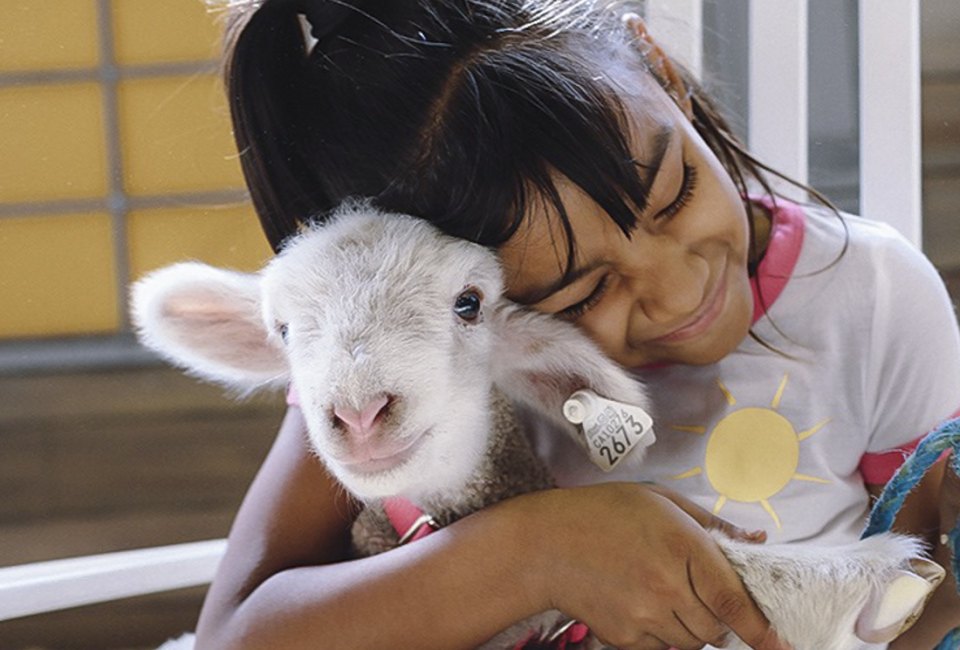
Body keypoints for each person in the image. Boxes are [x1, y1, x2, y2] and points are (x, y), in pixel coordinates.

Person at [194, 1, 960, 648]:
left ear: (660, 70)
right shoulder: (426, 348)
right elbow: (239, 634)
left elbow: (930, 591)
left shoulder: (870, 294)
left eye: (676, 191)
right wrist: (535, 552)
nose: (676, 288)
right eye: (583, 290)